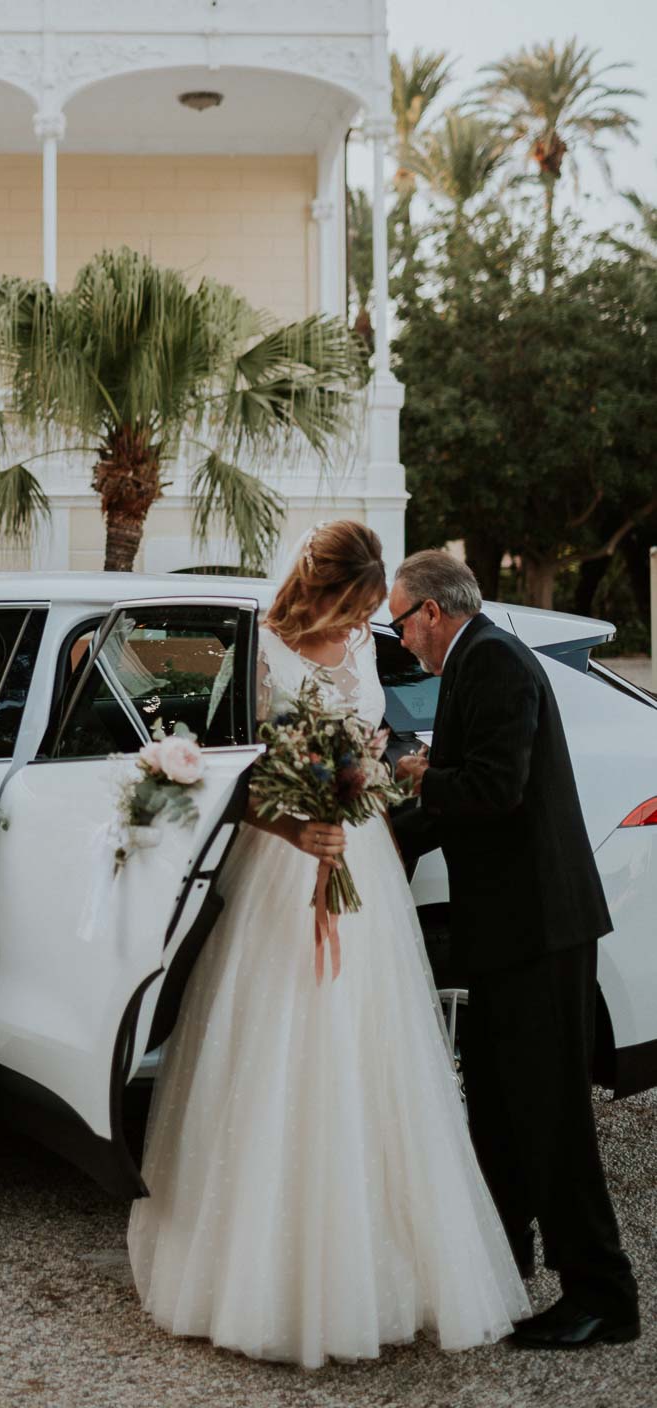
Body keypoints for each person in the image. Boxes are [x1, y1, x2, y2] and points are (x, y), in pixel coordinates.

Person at [128, 520, 529, 1369]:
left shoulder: (363, 650)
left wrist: (369, 792)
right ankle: (260, 1279)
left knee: (372, 1051)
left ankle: (382, 1272)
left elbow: (375, 754)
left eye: (368, 615)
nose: (360, 629)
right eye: (351, 609)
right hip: (281, 867)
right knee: (278, 1049)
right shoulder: (262, 650)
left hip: (363, 867)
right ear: (320, 591)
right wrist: (296, 825)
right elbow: (228, 778)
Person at [389, 549, 639, 1350]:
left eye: (398, 621)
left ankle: (603, 1296)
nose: (398, 640)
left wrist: (420, 780)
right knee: (496, 1111)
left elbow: (493, 786)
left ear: (432, 611)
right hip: (506, 931)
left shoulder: (494, 662)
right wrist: (392, 832)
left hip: (539, 933)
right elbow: (469, 789)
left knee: (551, 1115)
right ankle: (502, 1265)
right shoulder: (473, 660)